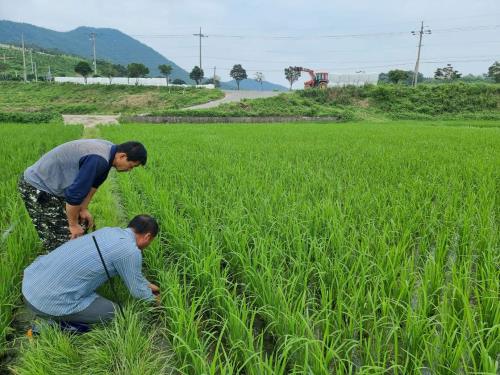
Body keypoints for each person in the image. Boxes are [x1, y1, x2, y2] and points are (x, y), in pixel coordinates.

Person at [22, 215, 160, 325]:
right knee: (116, 313)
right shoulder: (130, 251)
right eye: (151, 241)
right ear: (147, 236)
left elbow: (132, 274)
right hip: (45, 303)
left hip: (30, 284)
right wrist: (157, 302)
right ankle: (53, 324)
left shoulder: (108, 231)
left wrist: (146, 284)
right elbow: (138, 292)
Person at [18, 139, 147, 251]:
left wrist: (83, 209)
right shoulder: (98, 159)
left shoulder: (110, 152)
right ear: (122, 156)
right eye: (131, 166)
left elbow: (94, 184)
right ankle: (53, 267)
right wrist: (73, 225)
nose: (129, 170)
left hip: (55, 185)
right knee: (62, 237)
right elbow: (74, 196)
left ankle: (75, 256)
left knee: (81, 223)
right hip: (38, 186)